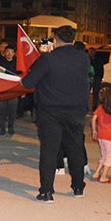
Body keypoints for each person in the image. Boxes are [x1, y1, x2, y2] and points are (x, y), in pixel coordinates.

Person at [21, 25, 90, 203]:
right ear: (73, 40)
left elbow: (28, 82)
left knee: (49, 151)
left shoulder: (48, 59)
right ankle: (78, 186)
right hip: (76, 111)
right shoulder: (83, 58)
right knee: (75, 149)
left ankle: (47, 191)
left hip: (50, 112)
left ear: (55, 39)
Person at [90, 87, 111, 184]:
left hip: (101, 135)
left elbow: (94, 118)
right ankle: (103, 176)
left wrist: (94, 131)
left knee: (103, 155)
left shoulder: (101, 107)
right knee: (109, 157)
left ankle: (97, 173)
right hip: (110, 137)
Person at [0, 45, 18, 136]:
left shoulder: (18, 63)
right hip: (2, 91)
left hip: (13, 91)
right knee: (1, 110)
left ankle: (10, 126)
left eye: (11, 52)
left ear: (14, 53)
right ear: (4, 53)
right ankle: (2, 128)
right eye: (7, 51)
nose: (9, 54)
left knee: (12, 111)